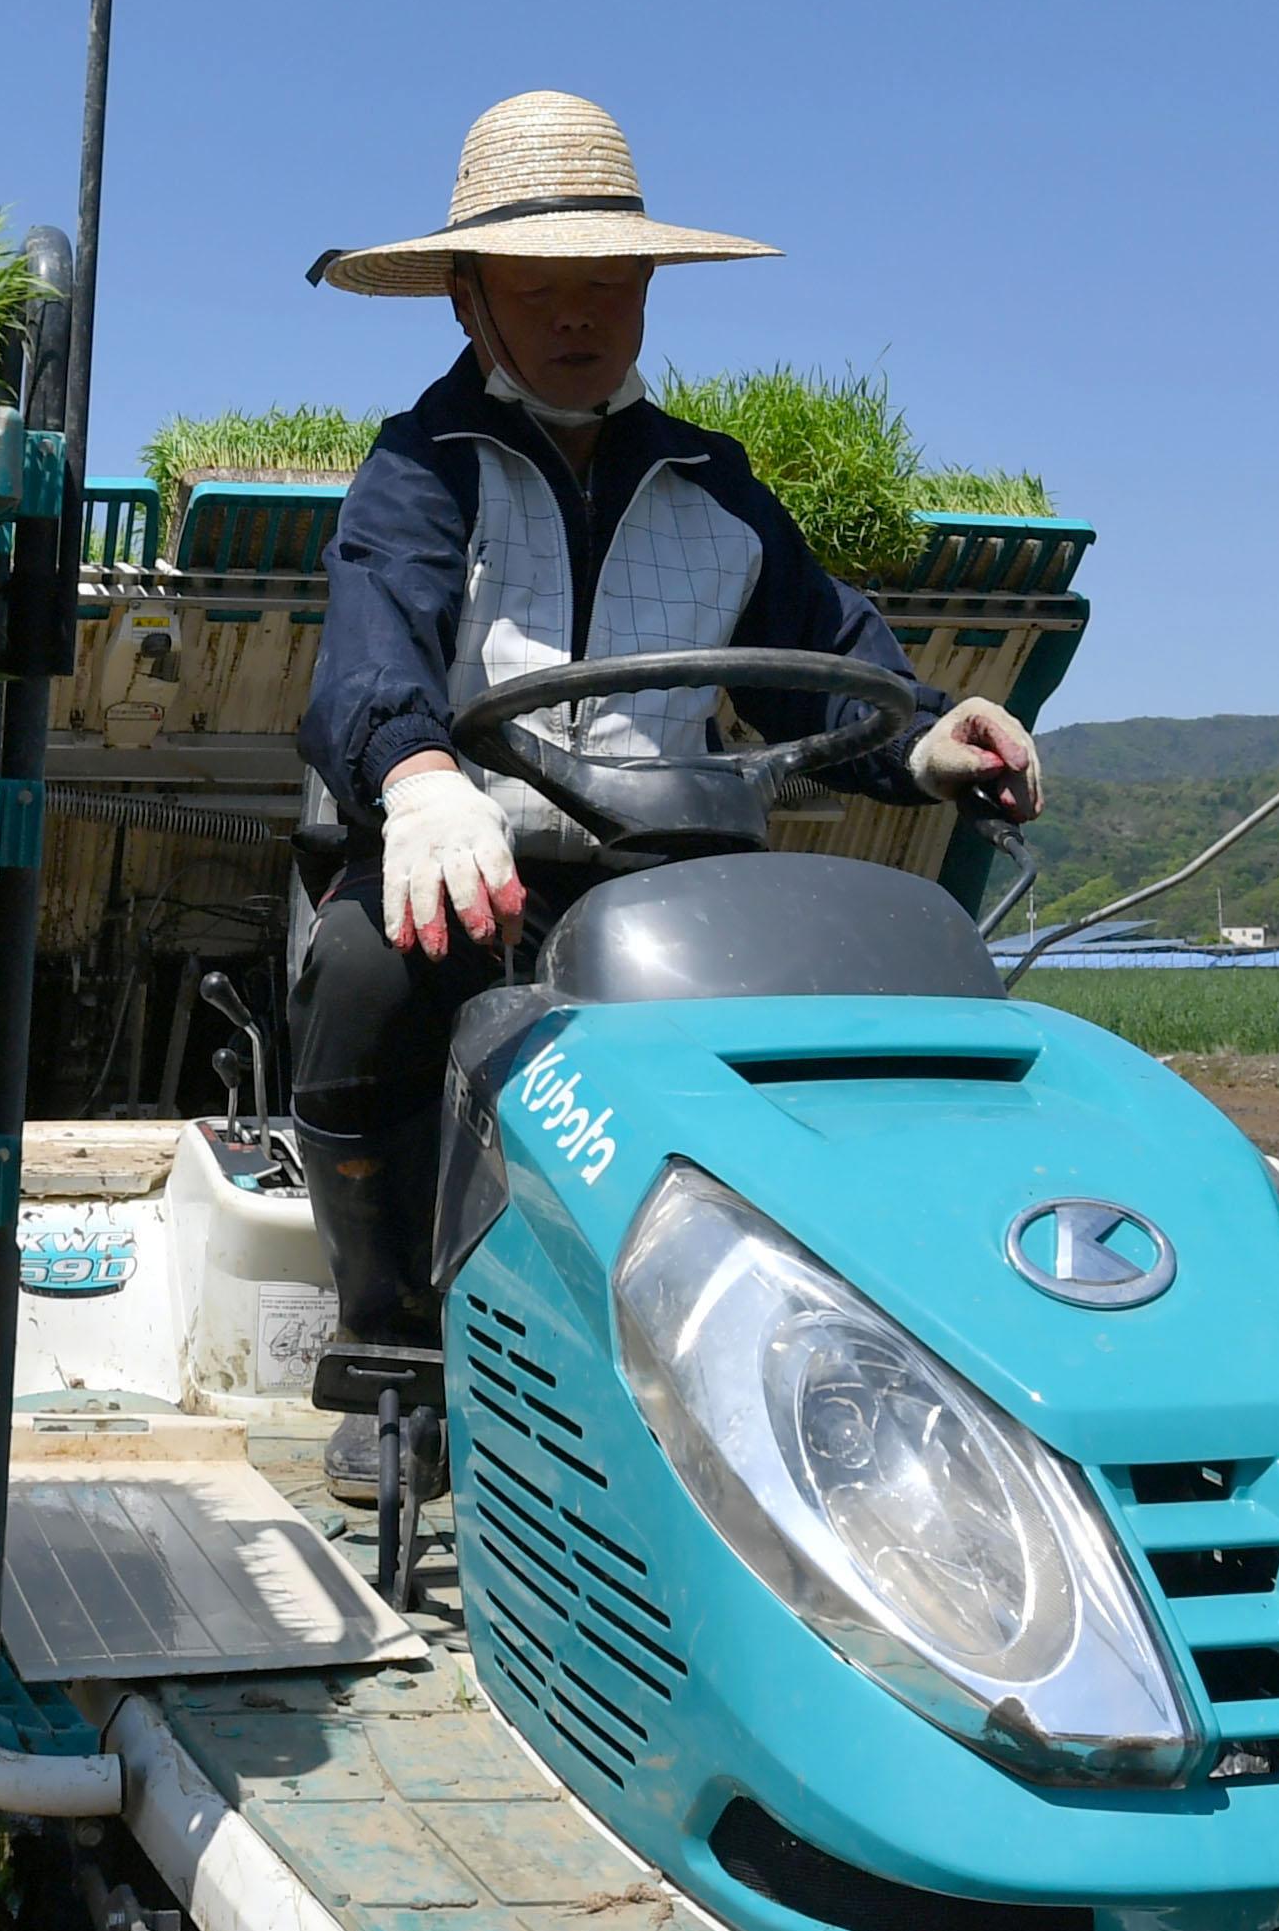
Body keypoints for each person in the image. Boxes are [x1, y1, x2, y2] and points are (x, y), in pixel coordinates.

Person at [285, 92, 1044, 1489]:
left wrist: (932, 739)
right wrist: (422, 773)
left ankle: (814, 1348)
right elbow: (366, 653)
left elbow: (819, 658)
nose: (581, 318)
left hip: (671, 875)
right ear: (469, 302)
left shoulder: (717, 483)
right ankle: (396, 1352)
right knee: (365, 969)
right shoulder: (420, 468)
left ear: (647, 291)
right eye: (542, 289)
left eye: (608, 287)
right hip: (473, 859)